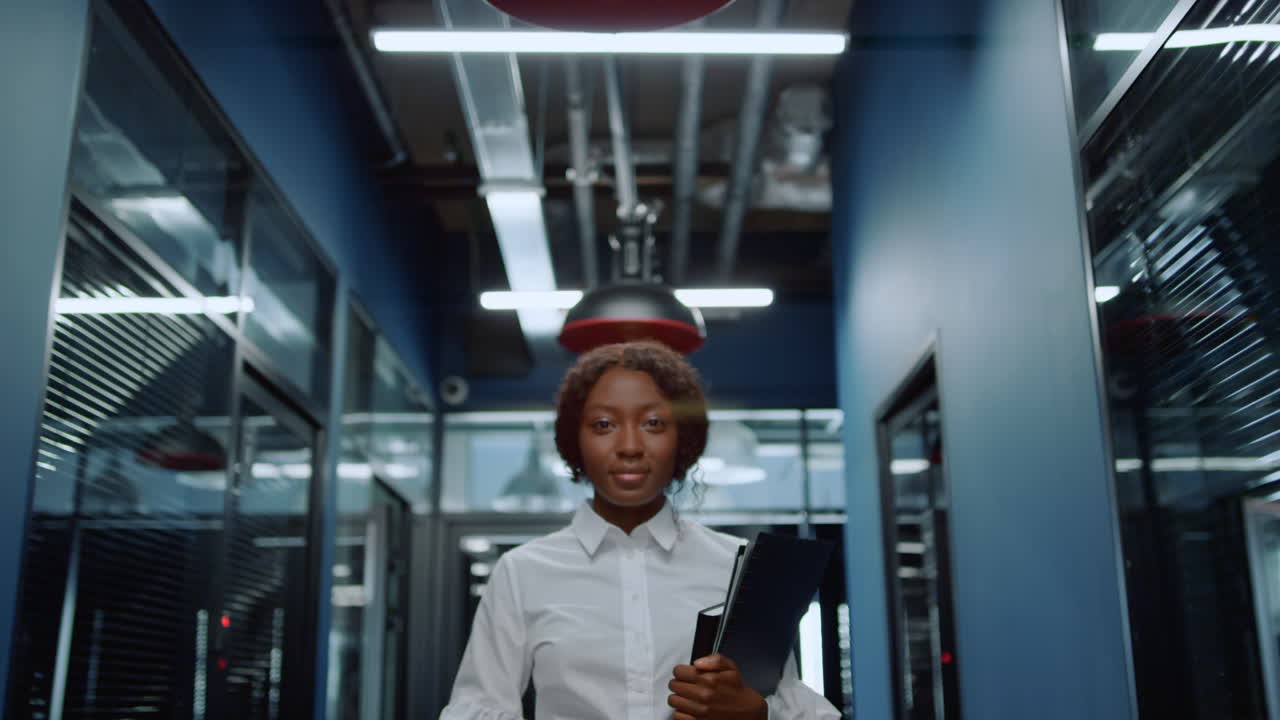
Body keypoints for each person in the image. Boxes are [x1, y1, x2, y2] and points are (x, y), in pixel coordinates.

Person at [441, 340, 840, 720]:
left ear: (683, 438)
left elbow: (798, 703)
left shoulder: (739, 567)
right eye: (603, 424)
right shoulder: (522, 572)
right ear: (573, 441)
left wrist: (758, 712)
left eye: (653, 423)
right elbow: (478, 707)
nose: (629, 445)